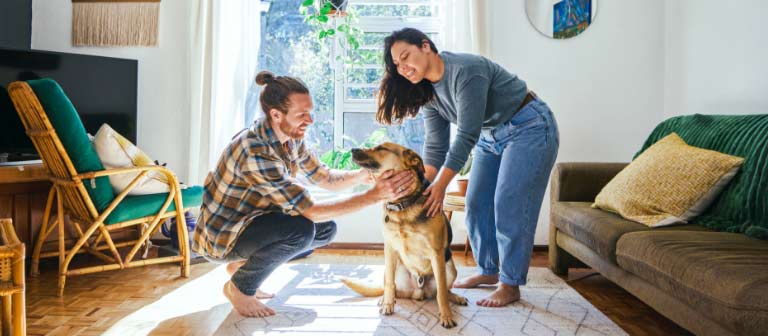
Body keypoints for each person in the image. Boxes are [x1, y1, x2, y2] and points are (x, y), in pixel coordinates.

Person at [193, 71, 415, 317]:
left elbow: (324, 177)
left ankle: (244, 267)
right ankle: (240, 288)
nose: (309, 120)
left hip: (252, 222)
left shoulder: (291, 137)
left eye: (310, 112)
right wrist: (374, 196)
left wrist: (361, 176)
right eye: (301, 114)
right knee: (301, 231)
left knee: (325, 230)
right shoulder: (256, 151)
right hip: (223, 238)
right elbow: (310, 210)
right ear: (276, 115)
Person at [376, 28, 559, 307]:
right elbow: (436, 147)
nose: (403, 68)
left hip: (529, 126)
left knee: (509, 203)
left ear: (425, 46)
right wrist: (420, 188)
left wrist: (441, 186)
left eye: (406, 57)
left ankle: (510, 284)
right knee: (476, 204)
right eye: (397, 65)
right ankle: (487, 271)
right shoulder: (427, 94)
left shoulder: (466, 70)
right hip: (491, 135)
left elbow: (466, 135)